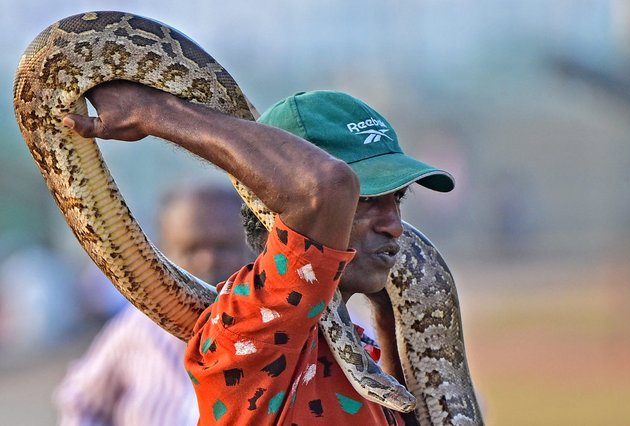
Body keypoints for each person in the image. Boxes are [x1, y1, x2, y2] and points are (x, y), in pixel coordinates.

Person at [62, 84, 455, 425]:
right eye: (365, 199)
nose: (396, 226)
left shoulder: (360, 347)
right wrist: (154, 112)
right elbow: (329, 184)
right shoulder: (252, 327)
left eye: (397, 199)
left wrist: (390, 318)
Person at [54, 184, 249, 426]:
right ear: (162, 253)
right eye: (191, 248)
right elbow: (80, 401)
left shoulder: (273, 329)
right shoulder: (136, 330)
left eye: (223, 247)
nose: (208, 260)